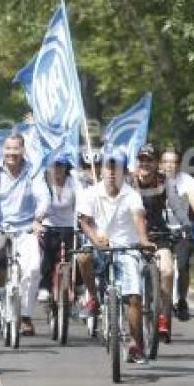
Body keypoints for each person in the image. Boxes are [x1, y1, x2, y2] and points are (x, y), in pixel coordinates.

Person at [78, 149, 154, 364]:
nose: (112, 172)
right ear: (101, 170)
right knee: (83, 257)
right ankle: (93, 298)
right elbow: (85, 221)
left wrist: (143, 240)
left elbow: (139, 219)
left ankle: (135, 344)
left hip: (126, 248)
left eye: (117, 168)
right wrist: (95, 240)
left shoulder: (132, 195)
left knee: (134, 297)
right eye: (108, 167)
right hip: (100, 246)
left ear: (125, 172)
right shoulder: (90, 193)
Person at [0, 133, 49, 337]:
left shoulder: (33, 170)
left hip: (25, 228)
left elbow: (43, 196)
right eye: (8, 149)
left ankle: (25, 315)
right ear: (3, 150)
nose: (12, 153)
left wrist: (38, 219)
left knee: (33, 267)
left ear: (23, 151)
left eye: (16, 149)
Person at [131, 143, 191, 338]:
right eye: (142, 160)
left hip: (158, 233)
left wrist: (185, 224)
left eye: (149, 160)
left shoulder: (165, 182)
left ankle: (163, 317)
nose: (145, 164)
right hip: (132, 235)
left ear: (157, 163)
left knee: (167, 271)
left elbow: (175, 204)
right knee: (130, 276)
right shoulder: (129, 182)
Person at [160, 145, 194, 321]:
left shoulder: (187, 181)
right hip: (160, 231)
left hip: (182, 229)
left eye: (173, 162)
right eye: (165, 161)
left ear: (179, 165)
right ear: (160, 163)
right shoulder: (154, 181)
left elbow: (193, 199)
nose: (169, 166)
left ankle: (181, 300)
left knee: (182, 267)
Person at [37, 154, 80, 304]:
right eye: (55, 166)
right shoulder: (44, 182)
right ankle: (44, 287)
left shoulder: (73, 182)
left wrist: (81, 219)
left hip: (69, 226)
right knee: (47, 255)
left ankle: (77, 286)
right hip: (50, 225)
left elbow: (81, 200)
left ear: (66, 168)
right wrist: (40, 217)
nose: (58, 169)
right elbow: (43, 202)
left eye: (61, 166)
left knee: (76, 256)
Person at [74, 149, 102, 318]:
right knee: (81, 257)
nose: (92, 169)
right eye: (86, 166)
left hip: (107, 232)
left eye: (96, 165)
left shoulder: (110, 183)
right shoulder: (75, 182)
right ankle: (90, 295)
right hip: (83, 229)